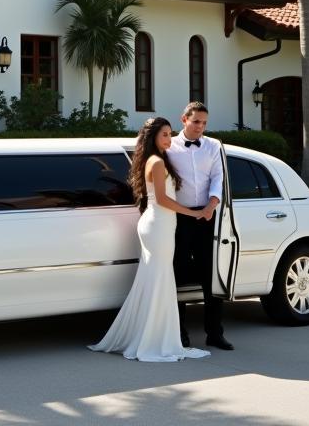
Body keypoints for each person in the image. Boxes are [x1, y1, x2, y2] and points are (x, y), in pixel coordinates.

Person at [87, 117, 211, 361]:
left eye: (170, 134)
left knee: (154, 278)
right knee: (160, 279)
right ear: (153, 136)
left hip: (157, 223)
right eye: (165, 134)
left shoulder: (154, 160)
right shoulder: (156, 162)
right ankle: (155, 340)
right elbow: (163, 200)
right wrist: (195, 212)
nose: (169, 138)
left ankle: (151, 335)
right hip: (159, 225)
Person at [167, 100, 233, 351]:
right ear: (184, 120)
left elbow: (219, 177)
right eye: (196, 122)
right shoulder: (168, 146)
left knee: (211, 274)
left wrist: (211, 206)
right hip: (178, 218)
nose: (200, 127)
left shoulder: (213, 146)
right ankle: (180, 333)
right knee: (178, 274)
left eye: (204, 123)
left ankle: (215, 333)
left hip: (208, 217)